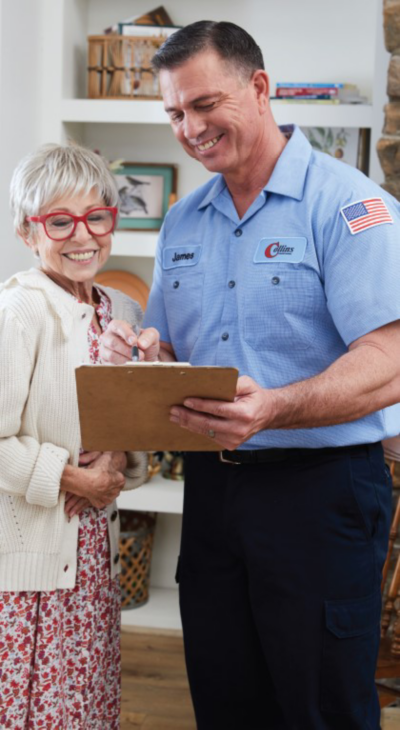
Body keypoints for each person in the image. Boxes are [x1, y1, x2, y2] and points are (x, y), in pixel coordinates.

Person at [99, 20, 400, 730]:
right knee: (226, 698)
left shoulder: (351, 207)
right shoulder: (182, 220)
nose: (190, 129)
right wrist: (139, 357)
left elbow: (389, 363)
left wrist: (276, 408)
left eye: (206, 105)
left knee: (321, 708)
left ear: (260, 88)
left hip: (321, 498)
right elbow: (171, 350)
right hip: (214, 492)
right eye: (174, 113)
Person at [0, 142, 159, 729]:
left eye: (97, 216)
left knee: (84, 706)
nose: (82, 235)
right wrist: (72, 478)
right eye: (59, 221)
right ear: (27, 231)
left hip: (91, 557)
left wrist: (119, 449)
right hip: (31, 572)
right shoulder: (19, 311)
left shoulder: (114, 307)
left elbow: (115, 429)